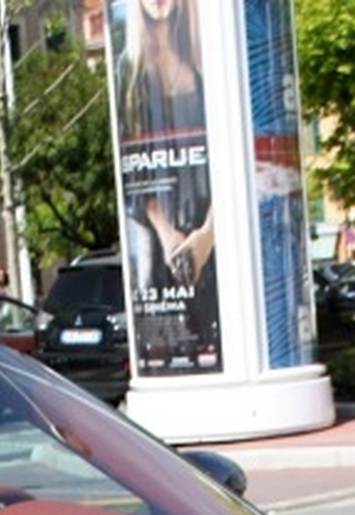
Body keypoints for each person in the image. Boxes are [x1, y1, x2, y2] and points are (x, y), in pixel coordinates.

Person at [117, 0, 217, 374]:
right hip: (160, 232)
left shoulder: (205, 64)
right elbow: (135, 169)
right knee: (168, 342)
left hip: (211, 226)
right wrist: (168, 235)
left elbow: (230, 156)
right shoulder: (130, 71)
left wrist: (208, 232)